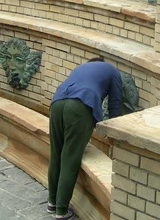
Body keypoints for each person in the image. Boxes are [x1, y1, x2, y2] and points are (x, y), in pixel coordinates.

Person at [47, 58, 122, 219]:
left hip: (57, 102)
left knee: (56, 153)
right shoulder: (113, 70)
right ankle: (61, 210)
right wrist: (113, 134)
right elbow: (114, 105)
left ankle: (52, 202)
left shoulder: (81, 68)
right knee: (70, 158)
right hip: (80, 106)